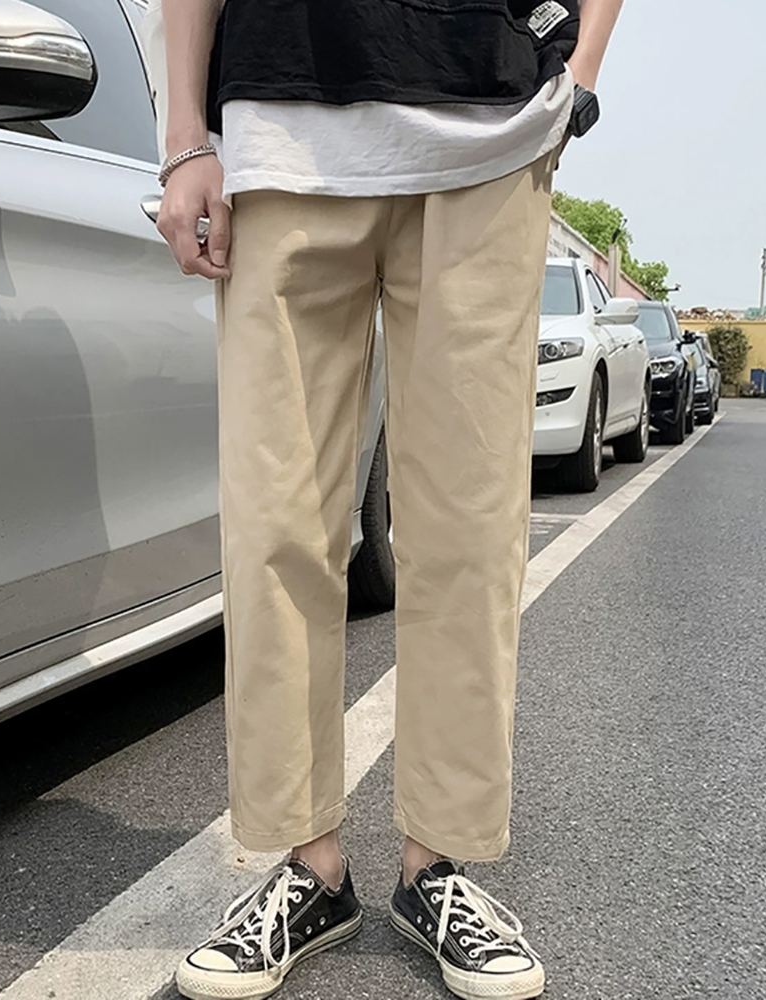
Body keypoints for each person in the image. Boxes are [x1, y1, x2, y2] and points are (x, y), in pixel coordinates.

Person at [154, 2, 624, 997]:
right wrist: (185, 137)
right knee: (275, 524)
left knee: (467, 527)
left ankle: (436, 866)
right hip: (281, 127)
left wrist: (578, 73)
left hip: (488, 133)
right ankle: (308, 864)